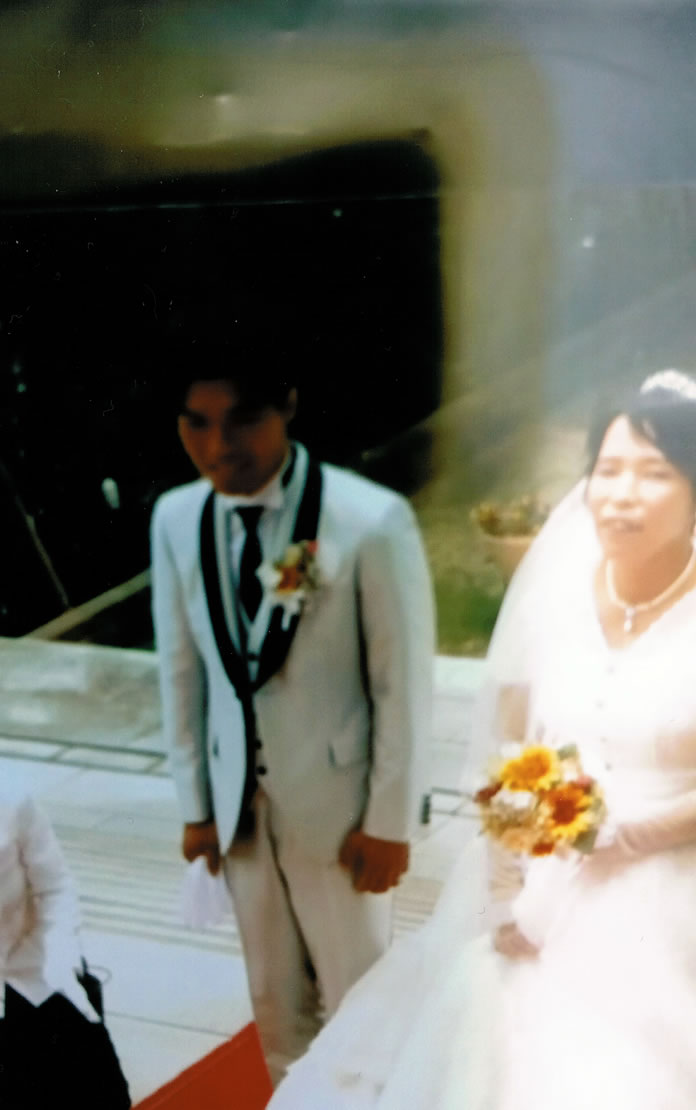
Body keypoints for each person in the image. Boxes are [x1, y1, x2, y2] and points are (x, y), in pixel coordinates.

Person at [268, 369, 696, 1108]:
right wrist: (504, 886)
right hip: (550, 873)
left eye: (654, 474)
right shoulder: (561, 593)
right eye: (609, 469)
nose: (622, 494)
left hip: (693, 873)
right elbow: (509, 753)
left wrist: (632, 835)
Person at [150, 348, 435, 1083]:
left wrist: (390, 822)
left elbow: (401, 686)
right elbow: (181, 672)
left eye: (242, 421)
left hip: (341, 812)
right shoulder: (176, 518)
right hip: (240, 812)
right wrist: (196, 807)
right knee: (274, 1005)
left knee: (361, 1004)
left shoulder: (369, 520)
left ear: (287, 408)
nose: (219, 447)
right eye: (197, 424)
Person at [0, 789, 131, 1109]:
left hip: (29, 966)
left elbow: (55, 886)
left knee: (102, 1090)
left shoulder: (12, 797)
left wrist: (60, 958)